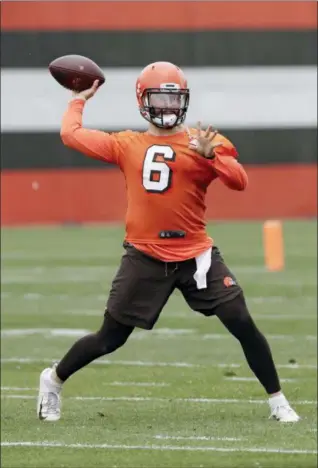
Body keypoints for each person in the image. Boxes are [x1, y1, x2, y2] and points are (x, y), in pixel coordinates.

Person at [37, 61, 300, 423]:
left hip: (196, 255)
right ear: (143, 101)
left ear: (185, 102)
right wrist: (78, 99)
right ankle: (52, 380)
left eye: (173, 100)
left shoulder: (204, 142)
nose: (167, 108)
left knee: (240, 320)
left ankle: (278, 402)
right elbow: (72, 134)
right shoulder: (127, 144)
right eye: (159, 99)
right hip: (145, 255)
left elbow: (240, 181)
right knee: (109, 339)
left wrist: (213, 158)